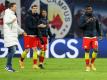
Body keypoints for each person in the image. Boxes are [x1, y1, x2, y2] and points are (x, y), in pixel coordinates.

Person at [3, 3, 25, 72]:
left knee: (11, 50)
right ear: (11, 7)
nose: (16, 8)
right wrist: (12, 21)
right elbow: (6, 22)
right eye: (15, 7)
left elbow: (16, 26)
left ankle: (8, 66)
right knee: (13, 50)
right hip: (9, 35)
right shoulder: (7, 14)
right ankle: (8, 66)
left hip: (13, 35)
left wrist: (22, 31)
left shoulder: (13, 15)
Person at [19, 5, 42, 69]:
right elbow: (30, 26)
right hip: (28, 36)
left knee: (35, 49)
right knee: (27, 50)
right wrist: (38, 26)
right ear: (31, 9)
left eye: (36, 8)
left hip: (35, 36)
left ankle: (34, 65)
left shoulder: (37, 16)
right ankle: (21, 60)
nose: (35, 9)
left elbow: (36, 26)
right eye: (34, 8)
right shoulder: (28, 17)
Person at [79, 5, 102, 72]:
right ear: (86, 10)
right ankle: (87, 66)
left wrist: (100, 34)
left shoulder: (95, 17)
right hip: (86, 36)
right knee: (87, 51)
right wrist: (87, 22)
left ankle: (92, 63)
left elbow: (98, 26)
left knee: (96, 50)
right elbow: (80, 26)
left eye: (90, 9)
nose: (89, 10)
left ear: (92, 10)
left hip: (94, 36)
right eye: (88, 9)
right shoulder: (83, 17)